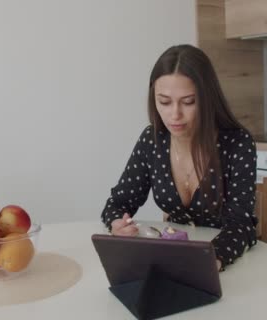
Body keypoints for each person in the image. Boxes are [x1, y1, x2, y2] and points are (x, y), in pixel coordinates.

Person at [100, 44, 258, 271]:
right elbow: (117, 203)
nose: (175, 114)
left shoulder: (237, 144)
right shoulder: (152, 139)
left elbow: (241, 225)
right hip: (175, 263)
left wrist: (211, 259)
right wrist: (117, 223)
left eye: (188, 102)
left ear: (207, 98)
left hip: (228, 264)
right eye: (164, 102)